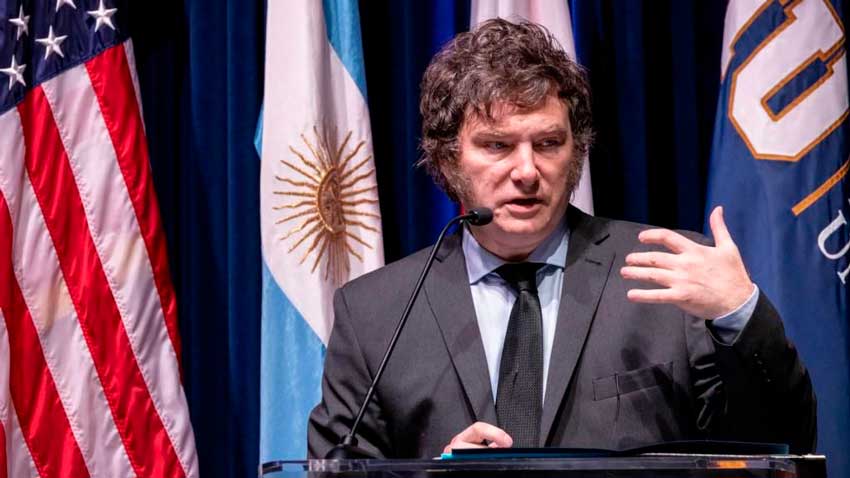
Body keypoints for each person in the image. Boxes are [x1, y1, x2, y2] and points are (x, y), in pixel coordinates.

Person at [307, 18, 816, 459]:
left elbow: (782, 445)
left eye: (548, 143)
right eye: (497, 145)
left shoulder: (668, 275)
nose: (527, 171)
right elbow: (337, 468)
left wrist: (740, 315)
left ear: (576, 152)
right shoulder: (376, 314)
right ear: (447, 158)